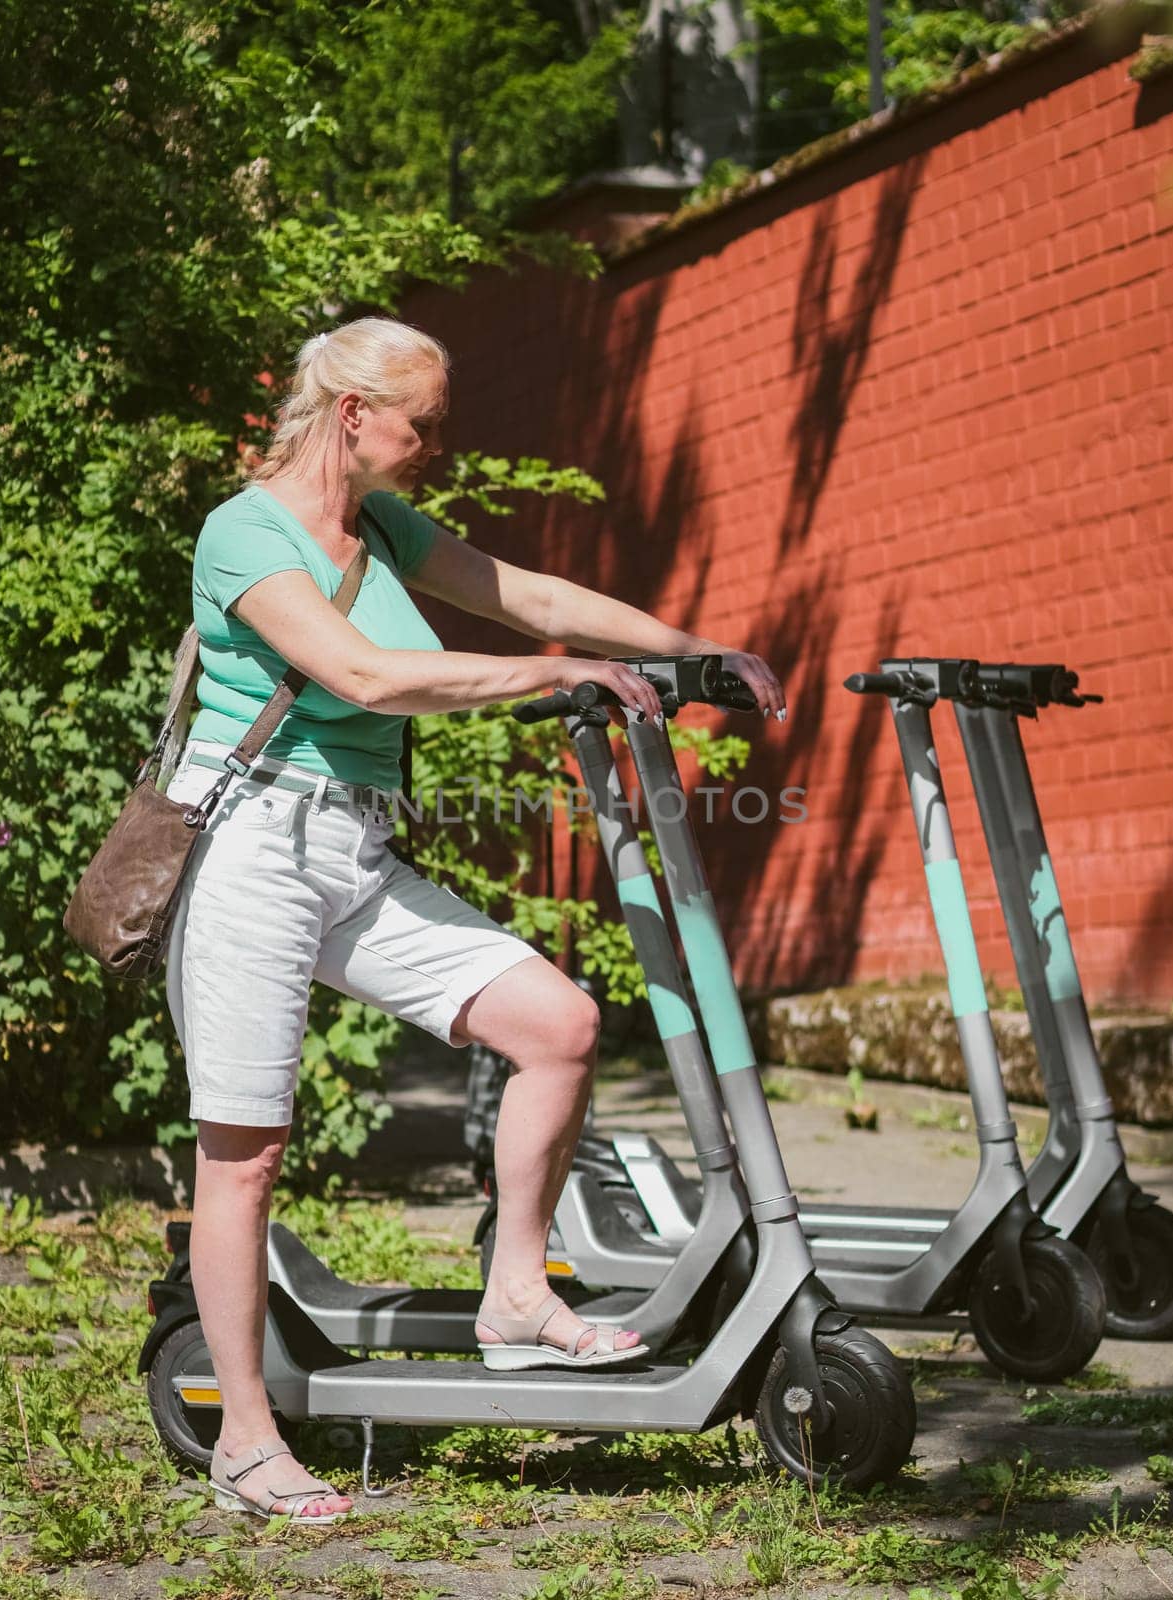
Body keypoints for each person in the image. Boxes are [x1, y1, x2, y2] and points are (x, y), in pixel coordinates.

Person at [162, 316, 786, 1523]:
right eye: (423, 421)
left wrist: (688, 648)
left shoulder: (380, 524)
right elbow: (364, 675)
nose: (438, 441)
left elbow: (526, 591)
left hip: (352, 844)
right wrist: (553, 674)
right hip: (249, 854)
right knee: (245, 1157)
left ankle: (514, 1298)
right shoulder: (244, 533)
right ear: (353, 415)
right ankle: (245, 1440)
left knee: (555, 1023)